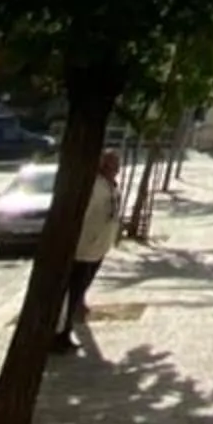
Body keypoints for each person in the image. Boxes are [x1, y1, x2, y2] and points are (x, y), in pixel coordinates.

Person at [54, 149, 122, 350]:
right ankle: (61, 335)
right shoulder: (94, 187)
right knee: (72, 294)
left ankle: (65, 330)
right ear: (103, 165)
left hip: (98, 248)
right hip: (83, 249)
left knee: (79, 291)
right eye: (111, 164)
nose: (115, 168)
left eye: (117, 164)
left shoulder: (111, 186)